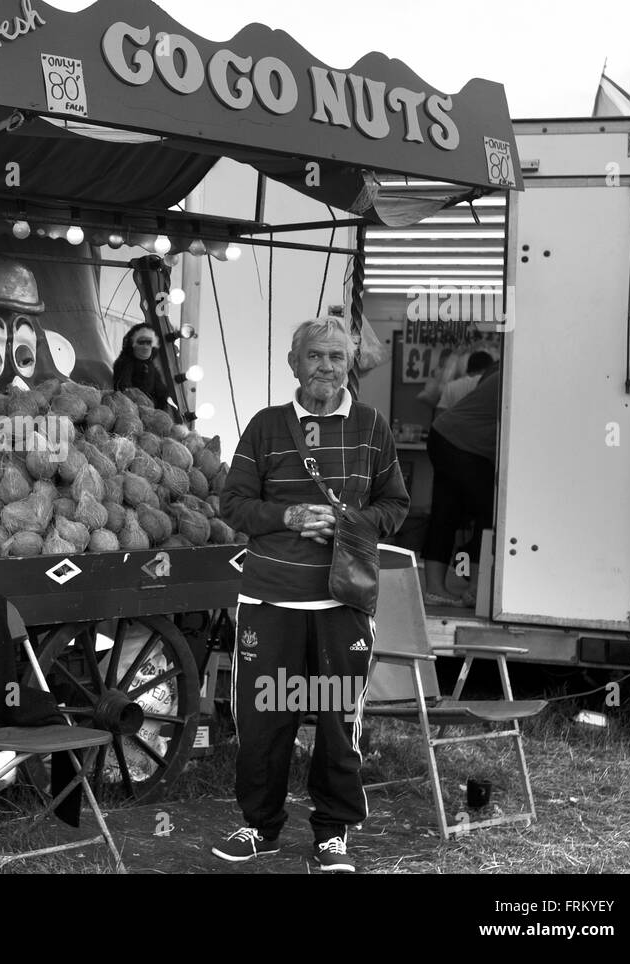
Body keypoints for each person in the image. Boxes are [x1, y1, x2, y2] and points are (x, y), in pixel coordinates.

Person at [214, 317, 409, 873]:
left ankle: (332, 833)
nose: (327, 367)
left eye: (337, 357)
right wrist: (290, 515)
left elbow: (396, 506)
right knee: (262, 720)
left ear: (350, 364)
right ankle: (259, 827)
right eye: (316, 356)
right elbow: (233, 505)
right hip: (270, 598)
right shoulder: (266, 427)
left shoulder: (372, 426)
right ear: (294, 363)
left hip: (341, 601)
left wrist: (351, 521)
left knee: (335, 720)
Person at [423, 359, 501, 606]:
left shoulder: (502, 368)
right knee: (489, 512)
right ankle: (477, 589)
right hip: (466, 446)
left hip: (444, 436)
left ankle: (435, 590)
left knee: (445, 514)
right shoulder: (518, 375)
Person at [111, 323, 171, 409]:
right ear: (132, 344)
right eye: (141, 342)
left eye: (148, 343)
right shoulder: (125, 362)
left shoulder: (150, 365)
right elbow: (124, 388)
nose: (145, 347)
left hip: (149, 406)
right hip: (130, 406)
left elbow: (160, 389)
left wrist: (162, 401)